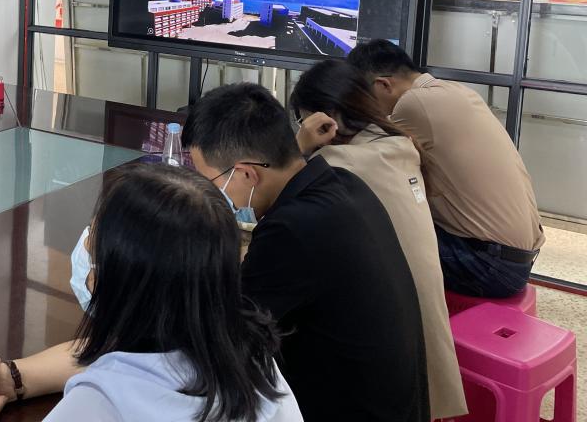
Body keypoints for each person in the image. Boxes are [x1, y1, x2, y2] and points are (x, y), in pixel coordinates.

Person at [0, 162, 303, 422]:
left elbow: (117, 371)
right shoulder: (248, 354)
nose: (84, 248)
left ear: (108, 283)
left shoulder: (99, 405)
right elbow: (116, 356)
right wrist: (9, 379)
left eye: (92, 243)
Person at [183, 83, 429, 422]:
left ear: (246, 173)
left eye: (209, 182)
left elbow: (222, 332)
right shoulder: (342, 183)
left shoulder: (291, 229)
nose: (211, 194)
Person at [290, 60, 466, 419]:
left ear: (325, 120)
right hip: (428, 353)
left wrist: (299, 147)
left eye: (302, 119)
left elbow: (282, 206)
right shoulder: (399, 145)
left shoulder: (336, 164)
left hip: (387, 362)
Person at [348, 39, 544, 298]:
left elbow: (357, 154)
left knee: (363, 230)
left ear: (383, 85)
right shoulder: (456, 91)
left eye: (364, 98)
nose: (367, 108)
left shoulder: (413, 103)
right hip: (518, 259)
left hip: (489, 266)